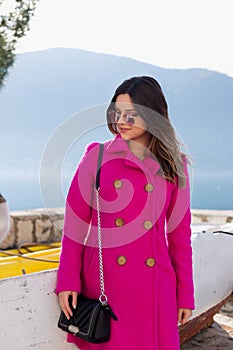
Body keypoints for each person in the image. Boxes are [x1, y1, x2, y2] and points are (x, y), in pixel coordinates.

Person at [56, 76, 195, 350]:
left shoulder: (174, 166)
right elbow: (75, 224)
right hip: (108, 288)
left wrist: (185, 295)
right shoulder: (96, 157)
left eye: (132, 114)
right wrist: (67, 279)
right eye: (117, 113)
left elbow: (179, 237)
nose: (122, 120)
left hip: (156, 289)